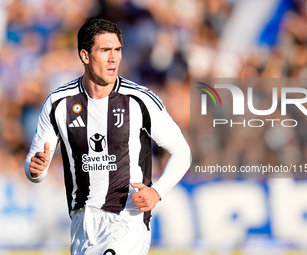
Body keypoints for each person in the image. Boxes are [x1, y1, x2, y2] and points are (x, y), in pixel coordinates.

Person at [24, 18, 191, 255]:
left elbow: (182, 152)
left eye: (117, 50)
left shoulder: (139, 100)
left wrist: (157, 191)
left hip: (127, 218)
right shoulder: (58, 103)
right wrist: (34, 171)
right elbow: (34, 166)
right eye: (105, 50)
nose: (114, 58)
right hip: (82, 223)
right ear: (85, 55)